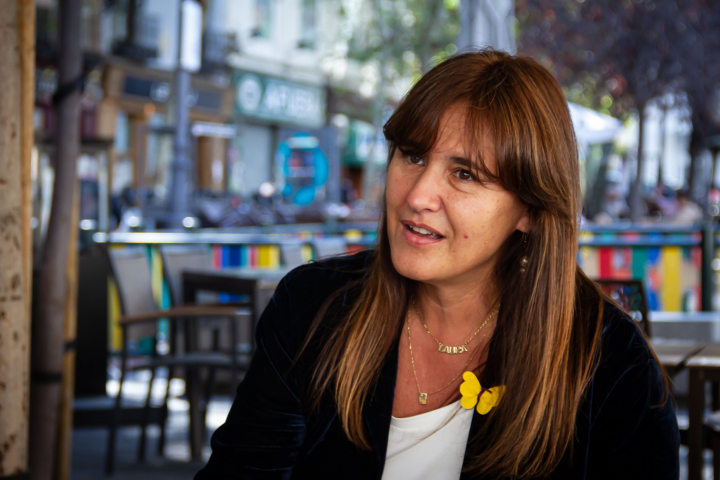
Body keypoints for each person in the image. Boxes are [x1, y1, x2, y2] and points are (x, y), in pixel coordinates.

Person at [195, 50, 679, 479]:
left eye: (464, 174)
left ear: (529, 210)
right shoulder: (311, 308)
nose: (419, 195)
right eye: (412, 155)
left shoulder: (611, 365)